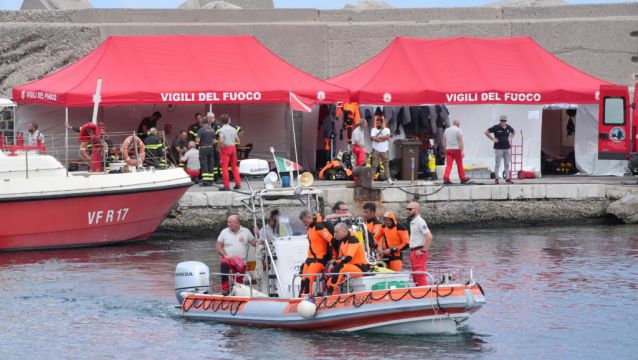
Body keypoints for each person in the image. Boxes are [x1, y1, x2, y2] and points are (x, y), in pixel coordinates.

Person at [216, 215, 256, 296]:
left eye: (230, 222)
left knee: (239, 283)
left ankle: (238, 291)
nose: (228, 224)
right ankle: (226, 288)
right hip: (229, 259)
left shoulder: (246, 231)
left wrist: (257, 234)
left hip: (241, 262)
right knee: (223, 263)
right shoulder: (224, 232)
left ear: (237, 223)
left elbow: (255, 243)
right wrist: (225, 255)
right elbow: (218, 246)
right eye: (228, 222)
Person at [326, 223, 369, 295]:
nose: (335, 234)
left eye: (337, 232)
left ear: (344, 231)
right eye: (334, 232)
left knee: (339, 267)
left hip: (360, 268)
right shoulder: (343, 241)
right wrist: (334, 263)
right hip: (349, 268)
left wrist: (335, 262)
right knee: (329, 282)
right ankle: (334, 299)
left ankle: (330, 291)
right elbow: (340, 258)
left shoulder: (353, 240)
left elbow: (348, 258)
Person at [299, 210, 333, 296]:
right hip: (310, 259)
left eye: (305, 221)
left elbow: (331, 240)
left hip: (319, 259)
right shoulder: (309, 229)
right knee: (303, 280)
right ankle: (301, 297)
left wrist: (332, 258)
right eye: (303, 222)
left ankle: (308, 299)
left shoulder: (319, 227)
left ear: (309, 218)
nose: (304, 223)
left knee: (308, 280)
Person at [406, 202, 432, 286]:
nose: (407, 211)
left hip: (419, 252)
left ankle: (425, 294)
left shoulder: (420, 222)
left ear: (416, 210)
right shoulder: (413, 221)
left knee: (419, 276)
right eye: (407, 209)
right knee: (415, 276)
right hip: (414, 251)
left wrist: (423, 250)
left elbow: (429, 236)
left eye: (410, 209)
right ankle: (419, 293)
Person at [484, 115, 516, 184]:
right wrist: (492, 139)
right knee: (498, 164)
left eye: (504, 121)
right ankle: (496, 178)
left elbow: (514, 132)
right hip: (498, 148)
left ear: (506, 121)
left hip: (507, 148)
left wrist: (510, 138)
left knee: (507, 163)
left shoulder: (508, 127)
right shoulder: (496, 127)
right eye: (502, 121)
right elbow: (486, 132)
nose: (503, 122)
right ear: (500, 121)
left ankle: (507, 178)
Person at [217, 114, 241, 191]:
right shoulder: (234, 129)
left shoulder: (221, 130)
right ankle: (238, 184)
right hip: (233, 148)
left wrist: (219, 146)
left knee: (225, 167)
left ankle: (226, 185)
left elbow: (221, 140)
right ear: (229, 120)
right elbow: (238, 140)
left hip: (225, 148)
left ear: (222, 121)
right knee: (234, 167)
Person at [442, 119, 470, 184]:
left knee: (449, 165)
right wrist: (462, 150)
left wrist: (445, 149)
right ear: (458, 124)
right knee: (459, 164)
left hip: (448, 149)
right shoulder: (458, 130)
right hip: (456, 149)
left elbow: (443, 140)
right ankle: (463, 179)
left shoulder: (447, 130)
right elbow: (460, 140)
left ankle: (446, 178)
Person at [370, 115, 393, 184]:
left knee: (386, 165)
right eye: (376, 123)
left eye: (378, 123)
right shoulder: (373, 130)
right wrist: (382, 139)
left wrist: (379, 138)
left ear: (382, 123)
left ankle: (388, 179)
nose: (377, 124)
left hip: (384, 150)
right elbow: (373, 138)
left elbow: (387, 136)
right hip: (376, 150)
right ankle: (371, 179)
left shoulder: (387, 129)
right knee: (374, 165)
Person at [196, 113, 217, 186]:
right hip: (211, 148)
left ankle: (205, 181)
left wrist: (197, 142)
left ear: (202, 123)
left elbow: (197, 141)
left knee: (204, 164)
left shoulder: (201, 130)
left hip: (203, 148)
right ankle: (211, 181)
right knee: (210, 164)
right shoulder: (212, 129)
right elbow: (214, 141)